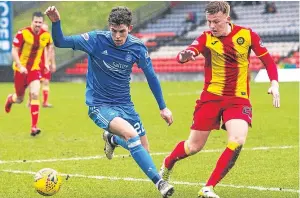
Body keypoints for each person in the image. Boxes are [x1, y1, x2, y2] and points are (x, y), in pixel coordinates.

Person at [44, 6, 175, 197]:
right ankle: (160, 184)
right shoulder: (96, 40)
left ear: (129, 28)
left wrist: (163, 107)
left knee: (143, 149)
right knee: (131, 135)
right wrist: (56, 22)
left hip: (125, 105)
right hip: (99, 105)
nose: (117, 36)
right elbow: (61, 41)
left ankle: (111, 138)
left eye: (122, 31)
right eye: (114, 31)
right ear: (109, 27)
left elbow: (152, 76)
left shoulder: (137, 47)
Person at [159, 1, 280, 198]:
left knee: (237, 139)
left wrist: (274, 83)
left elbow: (268, 61)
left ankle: (208, 187)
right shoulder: (206, 38)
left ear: (227, 18)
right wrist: (185, 55)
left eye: (216, 21)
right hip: (211, 98)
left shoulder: (247, 35)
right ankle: (168, 163)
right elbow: (187, 52)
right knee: (193, 147)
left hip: (238, 99)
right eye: (209, 21)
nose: (212, 26)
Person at [5, 12, 53, 136]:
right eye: (36, 22)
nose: (38, 24)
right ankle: (11, 99)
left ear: (42, 23)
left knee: (35, 94)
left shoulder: (46, 35)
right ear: (32, 22)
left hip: (34, 69)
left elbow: (48, 48)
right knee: (20, 99)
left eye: (40, 22)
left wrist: (47, 63)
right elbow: (14, 50)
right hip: (20, 70)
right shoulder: (23, 33)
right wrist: (20, 66)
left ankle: (34, 127)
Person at [27, 23, 56, 108]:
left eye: (46, 29)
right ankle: (30, 101)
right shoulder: (36, 40)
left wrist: (53, 63)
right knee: (35, 83)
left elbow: (52, 52)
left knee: (46, 82)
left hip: (46, 64)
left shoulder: (49, 40)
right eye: (43, 29)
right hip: (37, 64)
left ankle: (45, 102)